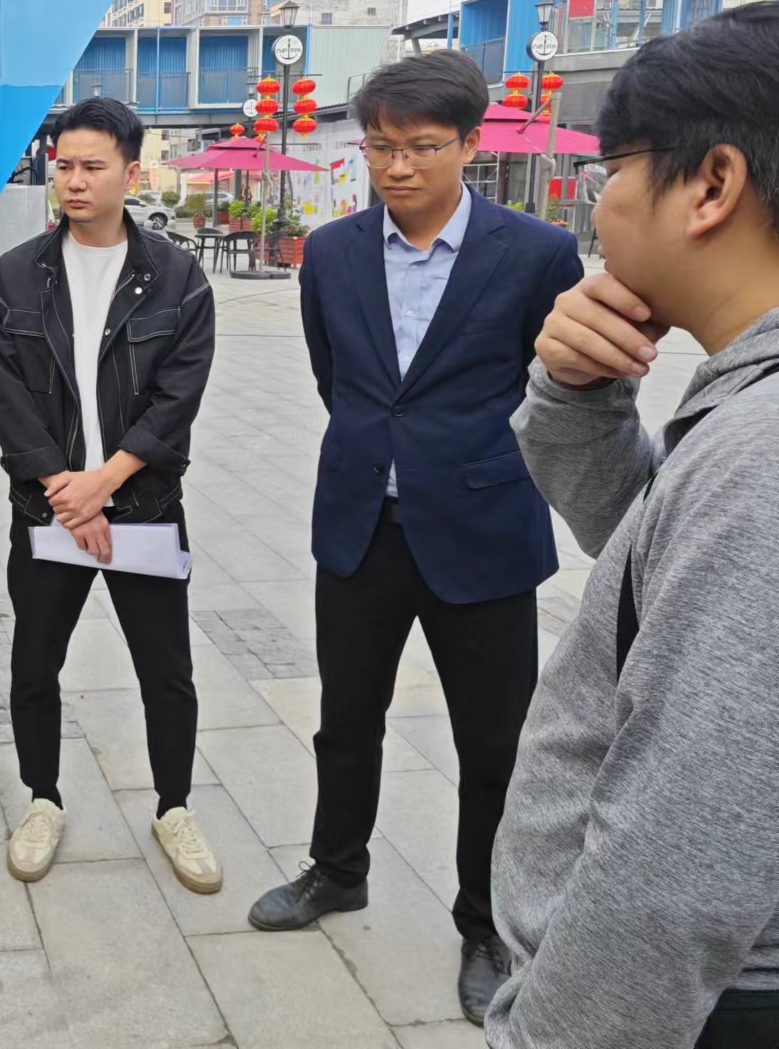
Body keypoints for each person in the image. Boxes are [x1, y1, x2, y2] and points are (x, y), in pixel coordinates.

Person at [246, 51, 583, 1025]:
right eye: (380, 146)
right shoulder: (333, 251)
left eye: (422, 146)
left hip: (482, 529)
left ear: (470, 144)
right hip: (361, 524)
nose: (397, 166)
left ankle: (485, 921)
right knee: (345, 716)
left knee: (493, 741)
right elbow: (340, 382)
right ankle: (336, 866)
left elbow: (552, 392)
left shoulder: (537, 254)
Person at [489, 2, 779, 1048]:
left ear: (711, 185)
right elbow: (647, 553)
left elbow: (680, 862)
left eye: (610, 170)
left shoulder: (763, 452)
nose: (598, 203)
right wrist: (575, 392)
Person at [0, 97, 222, 892]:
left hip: (144, 509)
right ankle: (42, 798)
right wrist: (65, 490)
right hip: (46, 511)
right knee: (33, 664)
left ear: (130, 171)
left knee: (167, 670)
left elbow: (177, 397)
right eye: (64, 166)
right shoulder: (17, 275)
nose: (75, 181)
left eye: (92, 166)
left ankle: (174, 806)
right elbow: (10, 399)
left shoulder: (177, 277)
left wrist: (105, 483)